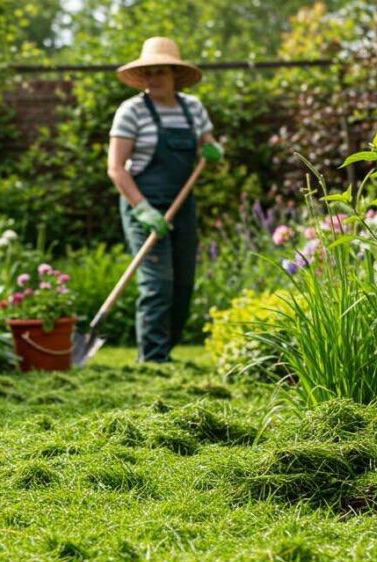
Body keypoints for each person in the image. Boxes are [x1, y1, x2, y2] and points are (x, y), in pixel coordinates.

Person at [108, 37, 222, 363]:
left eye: (159, 72)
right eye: (147, 73)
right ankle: (153, 359)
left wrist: (213, 149)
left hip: (182, 204)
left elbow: (207, 143)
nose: (152, 79)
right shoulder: (131, 112)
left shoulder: (193, 108)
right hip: (142, 203)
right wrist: (142, 208)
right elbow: (116, 168)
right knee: (157, 284)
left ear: (174, 74)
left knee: (183, 284)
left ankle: (166, 352)